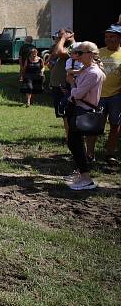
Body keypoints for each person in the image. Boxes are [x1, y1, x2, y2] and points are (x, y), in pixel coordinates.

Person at [63, 41, 106, 190]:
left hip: (83, 110)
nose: (77, 56)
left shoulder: (93, 73)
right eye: (76, 53)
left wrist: (72, 84)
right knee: (74, 143)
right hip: (77, 108)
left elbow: (78, 93)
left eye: (80, 53)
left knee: (76, 143)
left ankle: (86, 177)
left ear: (91, 54)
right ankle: (82, 173)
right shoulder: (85, 70)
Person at [87, 24, 121, 165]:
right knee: (94, 126)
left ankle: (110, 154)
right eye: (106, 37)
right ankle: (89, 154)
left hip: (116, 96)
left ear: (119, 38)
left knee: (115, 125)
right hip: (98, 96)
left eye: (112, 36)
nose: (108, 39)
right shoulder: (98, 53)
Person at [48, 28, 75, 132]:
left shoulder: (74, 47)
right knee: (64, 115)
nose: (59, 39)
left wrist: (63, 38)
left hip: (65, 86)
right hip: (58, 85)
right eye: (59, 37)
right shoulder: (64, 46)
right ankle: (69, 137)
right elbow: (56, 53)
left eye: (61, 37)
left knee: (68, 114)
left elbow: (59, 52)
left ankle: (71, 139)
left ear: (70, 35)